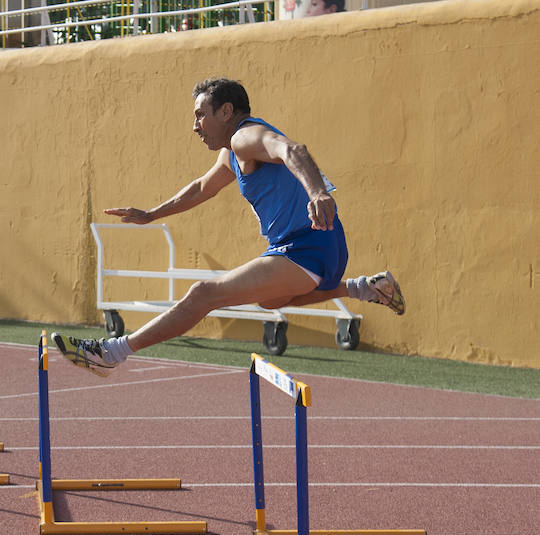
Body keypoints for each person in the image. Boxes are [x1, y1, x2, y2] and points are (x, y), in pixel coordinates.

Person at [52, 78, 404, 377]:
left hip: (307, 244)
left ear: (226, 112)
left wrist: (317, 193)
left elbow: (291, 149)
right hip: (314, 245)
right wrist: (151, 214)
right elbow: (201, 187)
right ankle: (363, 288)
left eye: (200, 115)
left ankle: (110, 353)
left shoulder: (245, 137)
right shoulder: (230, 153)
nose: (195, 126)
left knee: (204, 294)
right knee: (270, 301)